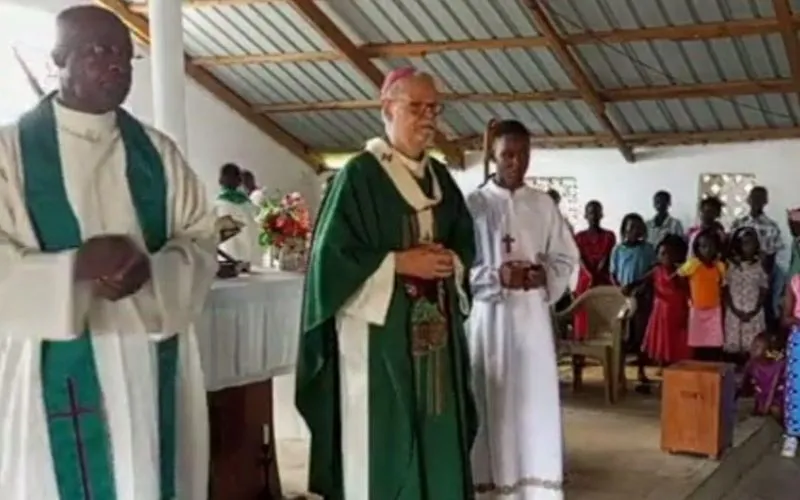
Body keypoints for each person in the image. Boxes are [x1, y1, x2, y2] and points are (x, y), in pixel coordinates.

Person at [0, 6, 217, 499]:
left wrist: (155, 271)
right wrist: (71, 270)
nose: (116, 63)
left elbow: (199, 235)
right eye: (98, 50)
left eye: (124, 53)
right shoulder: (10, 153)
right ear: (59, 59)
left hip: (145, 353)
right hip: (47, 364)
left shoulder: (158, 154)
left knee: (146, 476)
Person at [295, 67, 477, 499]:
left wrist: (448, 261)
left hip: (434, 341)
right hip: (378, 340)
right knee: (384, 438)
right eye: (416, 107)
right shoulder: (358, 176)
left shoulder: (442, 180)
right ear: (387, 108)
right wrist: (398, 263)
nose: (428, 118)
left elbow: (465, 244)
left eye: (434, 108)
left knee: (436, 430)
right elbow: (329, 260)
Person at [467, 119, 578, 500]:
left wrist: (542, 275)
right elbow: (456, 269)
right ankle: (490, 486)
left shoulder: (542, 204)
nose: (516, 163)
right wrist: (496, 276)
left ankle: (535, 489)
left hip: (531, 321)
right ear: (493, 157)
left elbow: (566, 258)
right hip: (490, 322)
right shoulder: (474, 205)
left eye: (523, 154)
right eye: (507, 155)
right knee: (490, 402)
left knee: (533, 402)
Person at [612, 213, 656, 391]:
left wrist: (638, 285)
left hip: (641, 296)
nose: (634, 231)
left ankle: (641, 370)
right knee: (622, 336)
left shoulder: (647, 249)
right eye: (631, 228)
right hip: (623, 298)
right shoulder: (618, 250)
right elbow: (613, 272)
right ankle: (619, 372)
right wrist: (619, 288)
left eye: (638, 228)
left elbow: (652, 270)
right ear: (624, 230)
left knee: (640, 336)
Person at [731, 186, 784, 326]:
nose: (756, 201)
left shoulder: (772, 226)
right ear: (748, 200)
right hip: (740, 273)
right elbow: (731, 250)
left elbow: (772, 255)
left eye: (760, 198)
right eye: (754, 197)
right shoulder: (739, 223)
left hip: (761, 272)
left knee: (764, 308)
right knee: (738, 306)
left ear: (765, 201)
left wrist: (763, 277)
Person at [640, 235, 691, 367]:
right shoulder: (656, 270)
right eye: (663, 253)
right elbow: (641, 281)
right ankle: (661, 364)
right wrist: (630, 287)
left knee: (676, 338)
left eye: (670, 253)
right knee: (661, 339)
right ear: (657, 256)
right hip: (660, 312)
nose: (667, 256)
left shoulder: (681, 272)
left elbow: (686, 291)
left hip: (677, 310)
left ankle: (676, 364)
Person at [678, 230, 726, 362]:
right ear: (697, 248)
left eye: (711, 246)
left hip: (714, 309)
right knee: (697, 342)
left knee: (714, 342)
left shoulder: (719, 266)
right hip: (697, 308)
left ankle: (712, 367)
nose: (707, 250)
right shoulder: (693, 264)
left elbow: (722, 284)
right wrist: (689, 295)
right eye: (703, 246)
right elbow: (679, 277)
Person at [573, 200, 616, 340]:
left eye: (597, 212)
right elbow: (579, 258)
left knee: (603, 313)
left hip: (602, 279)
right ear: (585, 215)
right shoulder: (579, 237)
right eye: (591, 212)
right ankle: (581, 350)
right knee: (583, 314)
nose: (594, 215)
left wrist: (596, 275)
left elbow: (606, 257)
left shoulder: (609, 235)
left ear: (601, 214)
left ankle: (603, 349)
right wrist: (590, 275)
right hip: (585, 279)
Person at [724, 227, 768, 359]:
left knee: (753, 347)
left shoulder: (760, 266)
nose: (748, 246)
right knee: (735, 348)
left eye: (752, 243)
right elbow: (725, 288)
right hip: (735, 311)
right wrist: (734, 310)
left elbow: (764, 289)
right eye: (744, 243)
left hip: (753, 312)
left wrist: (755, 310)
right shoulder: (731, 266)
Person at [215, 163, 261, 268]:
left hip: (227, 261)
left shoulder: (217, 205)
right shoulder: (248, 205)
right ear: (240, 181)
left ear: (220, 181)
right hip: (249, 261)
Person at [781, 273, 800, 457]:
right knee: (796, 388)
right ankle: (792, 434)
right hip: (799, 339)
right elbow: (785, 318)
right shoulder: (795, 282)